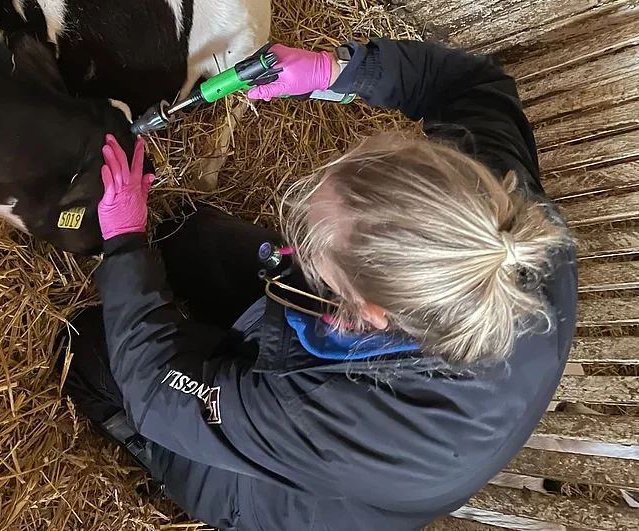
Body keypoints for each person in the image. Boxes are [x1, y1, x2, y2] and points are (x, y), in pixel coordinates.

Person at [59, 38, 577, 531]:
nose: (298, 242)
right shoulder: (490, 213)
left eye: (317, 252)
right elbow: (470, 84)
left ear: (367, 313)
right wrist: (337, 72)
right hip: (339, 366)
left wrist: (125, 242)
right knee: (193, 236)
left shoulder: (351, 421)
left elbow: (155, 393)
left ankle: (150, 455)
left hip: (275, 498)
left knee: (90, 346)